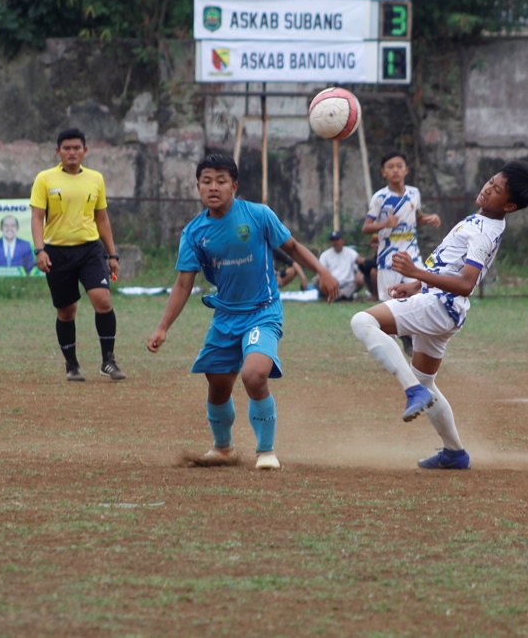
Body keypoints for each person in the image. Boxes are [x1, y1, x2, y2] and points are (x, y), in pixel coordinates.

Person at [146, 154, 339, 471]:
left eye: (221, 181)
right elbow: (182, 285)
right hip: (225, 317)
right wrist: (162, 327)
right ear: (197, 186)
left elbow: (291, 247)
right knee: (218, 383)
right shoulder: (194, 233)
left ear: (233, 186)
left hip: (263, 311)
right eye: (207, 181)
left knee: (254, 374)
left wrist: (323, 271)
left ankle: (266, 451)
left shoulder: (258, 215)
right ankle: (223, 449)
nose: (213, 187)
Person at [350, 161, 528, 469]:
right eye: (490, 182)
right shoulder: (480, 219)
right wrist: (416, 283)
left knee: (362, 321)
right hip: (442, 307)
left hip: (440, 305)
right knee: (427, 382)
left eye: (496, 190)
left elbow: (467, 283)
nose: (487, 188)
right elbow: (447, 263)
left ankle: (411, 391)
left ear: (509, 205)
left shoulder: (484, 232)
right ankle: (454, 453)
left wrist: (415, 272)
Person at [30, 128, 126, 382]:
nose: (72, 152)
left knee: (103, 300)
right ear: (58, 151)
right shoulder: (45, 178)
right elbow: (37, 217)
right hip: (56, 253)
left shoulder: (95, 179)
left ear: (85, 150)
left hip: (90, 250)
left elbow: (102, 218)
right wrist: (40, 250)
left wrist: (112, 254)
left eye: (76, 148)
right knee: (67, 311)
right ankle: (71, 364)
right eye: (66, 148)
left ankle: (108, 360)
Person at [362, 151, 441, 355]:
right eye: (390, 167)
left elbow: (417, 216)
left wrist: (428, 218)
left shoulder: (414, 193)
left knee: (424, 291)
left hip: (412, 254)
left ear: (406, 170)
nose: (395, 170)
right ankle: (401, 339)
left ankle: (419, 338)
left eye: (399, 166)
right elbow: (366, 227)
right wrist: (385, 224)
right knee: (390, 302)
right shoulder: (379, 198)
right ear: (383, 172)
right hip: (389, 257)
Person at [315, 230, 364, 301]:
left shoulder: (351, 253)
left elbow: (360, 268)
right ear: (330, 242)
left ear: (343, 241)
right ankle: (334, 295)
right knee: (316, 280)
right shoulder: (325, 255)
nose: (335, 242)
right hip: (331, 283)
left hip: (347, 283)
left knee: (361, 278)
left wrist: (359, 274)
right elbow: (320, 270)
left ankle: (340, 295)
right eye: (333, 240)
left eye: (337, 240)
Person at [357, 233, 380, 301]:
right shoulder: (373, 253)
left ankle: (376, 295)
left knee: (373, 272)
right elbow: (366, 270)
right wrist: (360, 264)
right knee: (364, 275)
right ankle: (373, 294)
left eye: (376, 243)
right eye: (373, 243)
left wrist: (365, 260)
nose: (374, 245)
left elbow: (376, 264)